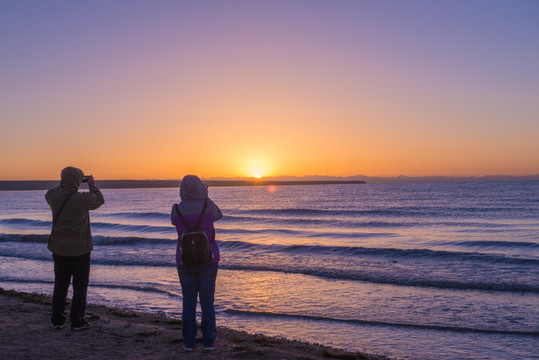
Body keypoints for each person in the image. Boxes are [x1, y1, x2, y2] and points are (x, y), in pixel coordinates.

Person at [45, 166, 104, 331]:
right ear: (78, 181)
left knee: (60, 285)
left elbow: (51, 192)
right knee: (80, 286)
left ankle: (57, 320)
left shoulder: (53, 196)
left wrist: (65, 184)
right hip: (80, 249)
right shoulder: (81, 199)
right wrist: (91, 184)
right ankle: (77, 321)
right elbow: (99, 199)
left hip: (59, 248)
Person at [171, 175, 223, 352]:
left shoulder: (176, 209)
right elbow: (219, 214)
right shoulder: (207, 205)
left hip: (184, 261)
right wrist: (206, 196)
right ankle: (209, 341)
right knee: (207, 302)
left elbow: (174, 223)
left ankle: (189, 342)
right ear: (201, 187)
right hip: (209, 260)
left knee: (188, 302)